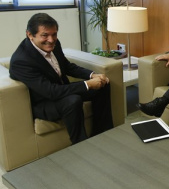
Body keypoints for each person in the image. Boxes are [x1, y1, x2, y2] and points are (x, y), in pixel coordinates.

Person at [9, 13, 114, 144]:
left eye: (54, 34)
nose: (51, 39)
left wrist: (92, 75)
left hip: (62, 90)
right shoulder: (21, 61)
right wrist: (88, 84)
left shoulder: (54, 43)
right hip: (44, 102)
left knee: (103, 84)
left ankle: (102, 132)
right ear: (30, 35)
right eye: (44, 35)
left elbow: (67, 66)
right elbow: (50, 91)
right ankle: (81, 144)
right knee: (73, 100)